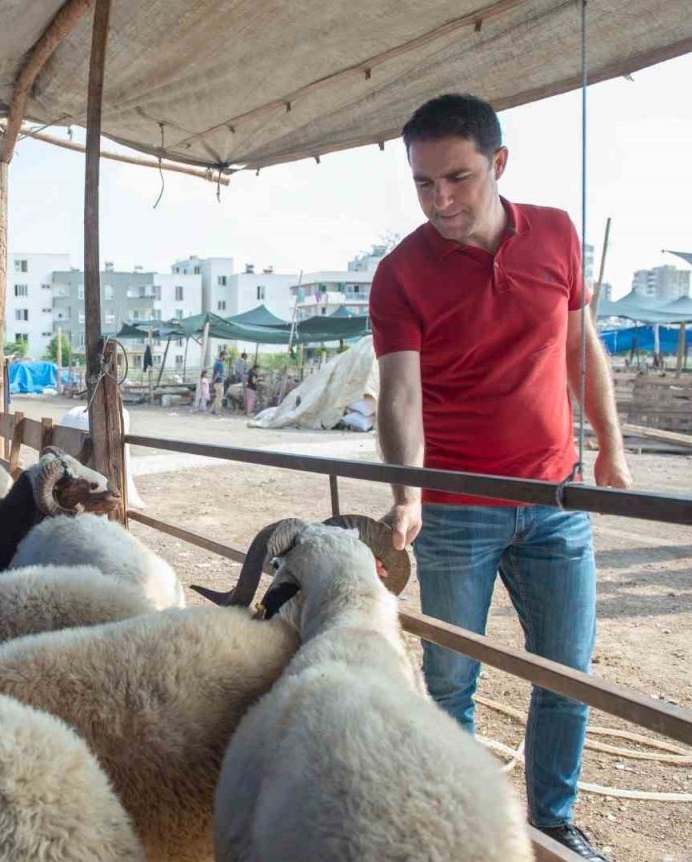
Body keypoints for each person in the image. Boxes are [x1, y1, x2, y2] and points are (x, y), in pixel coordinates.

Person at [370, 94, 629, 862]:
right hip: (453, 509)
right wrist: (407, 493)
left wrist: (609, 446)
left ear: (499, 164)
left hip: (554, 498)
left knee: (566, 674)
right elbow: (400, 392)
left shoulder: (555, 235)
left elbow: (581, 346)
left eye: (457, 178)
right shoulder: (401, 273)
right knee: (451, 680)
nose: (441, 199)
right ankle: (459, 830)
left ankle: (552, 823)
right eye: (422, 183)